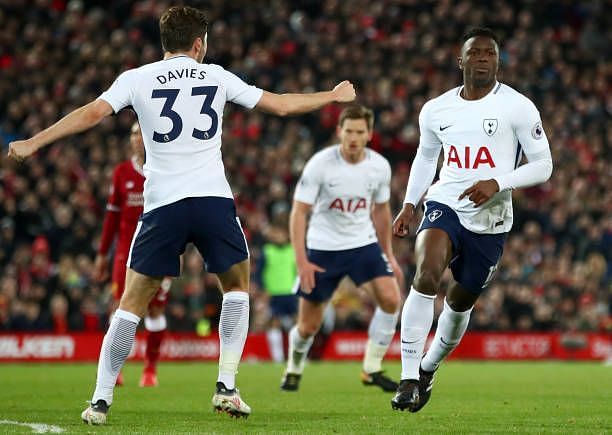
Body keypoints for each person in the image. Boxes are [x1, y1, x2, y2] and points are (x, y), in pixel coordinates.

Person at [8, 6, 355, 424]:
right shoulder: (217, 75)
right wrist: (332, 97)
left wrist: (34, 141)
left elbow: (93, 114)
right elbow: (280, 106)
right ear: (198, 43)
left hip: (163, 204)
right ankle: (226, 385)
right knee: (237, 286)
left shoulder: (136, 78)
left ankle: (100, 400)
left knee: (132, 302)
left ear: (164, 43)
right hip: (211, 200)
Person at [390, 27, 553, 412]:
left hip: (491, 219)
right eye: (475, 53)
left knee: (459, 302)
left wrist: (498, 182)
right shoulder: (435, 109)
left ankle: (428, 369)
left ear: (497, 61)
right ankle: (408, 377)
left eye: (490, 54)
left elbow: (544, 165)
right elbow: (427, 158)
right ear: (460, 60)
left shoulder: (518, 106)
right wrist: (410, 204)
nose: (483, 58)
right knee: (425, 275)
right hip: (444, 203)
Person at [281, 105, 403, 393]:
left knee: (390, 298)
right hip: (323, 249)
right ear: (339, 132)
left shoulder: (379, 166)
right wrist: (302, 262)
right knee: (308, 327)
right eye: (348, 131)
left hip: (362, 244)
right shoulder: (320, 165)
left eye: (360, 132)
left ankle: (371, 368)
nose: (353, 137)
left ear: (369, 134)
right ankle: (294, 367)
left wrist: (388, 255)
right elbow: (298, 213)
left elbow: (382, 211)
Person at [93, 121, 171, 388]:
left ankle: (150, 370)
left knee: (155, 310)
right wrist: (102, 254)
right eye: (133, 134)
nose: (137, 138)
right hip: (125, 255)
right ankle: (115, 369)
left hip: (161, 251)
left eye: (141, 133)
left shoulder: (164, 169)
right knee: (120, 308)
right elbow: (111, 218)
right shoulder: (121, 173)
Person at [256, 224, 298, 362]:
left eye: (280, 233)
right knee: (274, 323)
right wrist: (263, 290)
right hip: (273, 294)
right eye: (275, 233)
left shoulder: (293, 250)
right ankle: (278, 358)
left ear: (286, 235)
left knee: (297, 324)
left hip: (291, 293)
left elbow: (298, 273)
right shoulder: (267, 251)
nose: (278, 236)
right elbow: (259, 274)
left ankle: (297, 357)